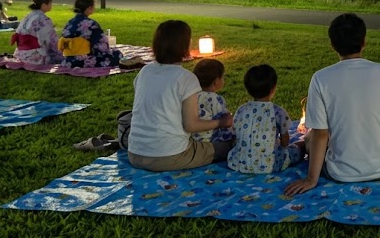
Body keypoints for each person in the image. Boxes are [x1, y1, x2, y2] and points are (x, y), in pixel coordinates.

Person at [284, 13, 380, 196]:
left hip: (340, 173)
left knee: (311, 136)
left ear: (333, 45)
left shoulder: (320, 78)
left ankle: (302, 146)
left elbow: (321, 135)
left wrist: (311, 179)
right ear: (364, 42)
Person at [128, 20, 234, 172]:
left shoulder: (144, 71)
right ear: (185, 45)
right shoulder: (185, 78)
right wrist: (220, 122)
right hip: (169, 156)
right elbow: (191, 125)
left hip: (135, 153)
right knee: (229, 146)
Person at [228, 64, 304, 174]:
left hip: (240, 162)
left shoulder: (241, 110)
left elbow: (235, 135)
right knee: (301, 146)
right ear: (273, 88)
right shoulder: (278, 112)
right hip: (271, 164)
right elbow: (285, 141)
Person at [58, 0, 121, 68]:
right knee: (117, 54)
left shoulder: (70, 22)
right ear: (89, 8)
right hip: (82, 60)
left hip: (67, 59)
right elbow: (101, 45)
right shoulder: (91, 24)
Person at [11, 0, 64, 65]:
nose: (51, 5)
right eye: (50, 3)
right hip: (35, 56)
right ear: (44, 5)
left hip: (20, 54)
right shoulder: (43, 19)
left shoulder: (28, 16)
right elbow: (52, 41)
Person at [191, 58, 235, 144]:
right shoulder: (215, 99)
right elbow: (225, 121)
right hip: (211, 141)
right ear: (216, 81)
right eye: (222, 77)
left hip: (193, 140)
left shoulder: (191, 96)